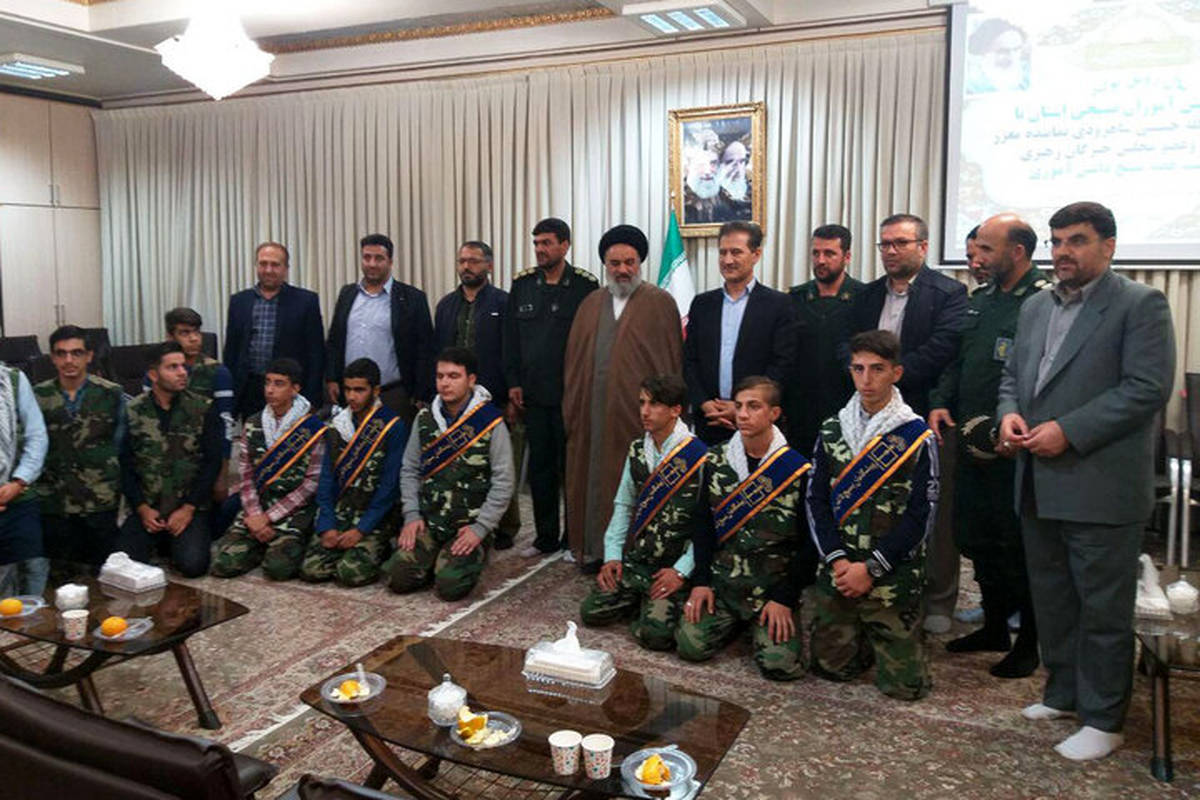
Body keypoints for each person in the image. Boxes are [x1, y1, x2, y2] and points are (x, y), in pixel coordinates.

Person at [998, 201, 1175, 761]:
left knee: (1102, 609)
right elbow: (1013, 376)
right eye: (1056, 242)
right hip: (1037, 480)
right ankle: (1065, 693)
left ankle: (1104, 719)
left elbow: (1146, 388)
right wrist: (1008, 414)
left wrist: (1069, 432)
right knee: (1054, 601)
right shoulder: (1035, 306)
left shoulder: (1140, 304)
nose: (1062, 252)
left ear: (1109, 246)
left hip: (1099, 484)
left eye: (1076, 241)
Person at [930, 214, 1051, 678]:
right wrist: (940, 401)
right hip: (971, 440)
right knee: (976, 536)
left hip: (1015, 445)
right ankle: (994, 626)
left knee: (1016, 545)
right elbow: (959, 362)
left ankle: (1029, 643)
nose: (976, 257)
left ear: (1016, 252)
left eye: (985, 249)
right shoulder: (981, 300)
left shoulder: (1043, 302)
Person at [850, 213, 966, 634]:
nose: (891, 251)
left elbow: (943, 348)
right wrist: (869, 379)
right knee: (875, 506)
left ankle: (938, 598)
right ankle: (871, 584)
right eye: (885, 244)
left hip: (925, 414)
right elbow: (849, 346)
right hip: (869, 415)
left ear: (923, 247)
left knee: (933, 509)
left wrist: (888, 377)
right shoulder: (866, 295)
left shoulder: (949, 293)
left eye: (900, 243)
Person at [807, 330, 938, 700]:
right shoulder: (832, 429)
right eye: (858, 369)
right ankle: (861, 636)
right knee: (830, 669)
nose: (866, 379)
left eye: (877, 369)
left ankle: (883, 633)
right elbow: (816, 501)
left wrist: (871, 569)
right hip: (840, 569)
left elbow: (922, 515)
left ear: (896, 373)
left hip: (891, 573)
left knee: (906, 688)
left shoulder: (916, 436)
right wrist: (838, 561)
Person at [676, 376, 814, 681]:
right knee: (689, 646)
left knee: (780, 666)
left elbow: (809, 544)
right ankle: (738, 625)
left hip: (771, 590)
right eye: (738, 406)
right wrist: (701, 581)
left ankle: (762, 626)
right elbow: (703, 525)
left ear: (774, 413)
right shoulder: (716, 459)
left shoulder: (796, 469)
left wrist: (785, 597)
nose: (742, 414)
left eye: (753, 406)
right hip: (724, 585)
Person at [562, 225, 684, 569]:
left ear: (640, 263)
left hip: (638, 420)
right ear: (605, 264)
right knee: (592, 480)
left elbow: (670, 364)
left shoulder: (660, 303)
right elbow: (573, 365)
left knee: (633, 483)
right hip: (592, 417)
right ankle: (593, 549)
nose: (622, 270)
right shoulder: (590, 304)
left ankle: (632, 553)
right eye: (615, 263)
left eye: (629, 262)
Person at [579, 374, 705, 651]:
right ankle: (643, 601)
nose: (645, 411)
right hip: (641, 561)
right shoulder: (637, 449)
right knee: (591, 611)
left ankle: (653, 606)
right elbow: (624, 505)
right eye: (642, 403)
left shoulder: (699, 457)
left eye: (654, 404)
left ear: (675, 410)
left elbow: (707, 527)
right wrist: (613, 556)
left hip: (672, 566)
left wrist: (681, 571)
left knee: (655, 636)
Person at [503, 218, 598, 557]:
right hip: (534, 395)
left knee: (572, 469)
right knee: (540, 469)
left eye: (546, 243)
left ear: (565, 245)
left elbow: (592, 342)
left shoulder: (585, 286)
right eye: (536, 243)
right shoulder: (523, 284)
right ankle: (545, 538)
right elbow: (511, 340)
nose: (540, 249)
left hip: (571, 396)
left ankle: (573, 538)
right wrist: (513, 383)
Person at [386, 347, 513, 601]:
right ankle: (433, 558)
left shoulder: (490, 422)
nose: (445, 383)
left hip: (469, 525)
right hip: (429, 521)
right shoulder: (425, 418)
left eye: (454, 376)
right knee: (398, 578)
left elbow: (504, 481)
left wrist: (481, 528)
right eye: (440, 376)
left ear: (471, 380)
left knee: (449, 587)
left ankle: (461, 558)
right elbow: (410, 469)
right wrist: (411, 515)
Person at [433, 240, 519, 550]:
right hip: (454, 399)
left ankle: (506, 526)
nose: (466, 267)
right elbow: (439, 352)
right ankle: (458, 518)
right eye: (462, 261)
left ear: (489, 266)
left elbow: (511, 351)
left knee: (499, 464)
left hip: (493, 398)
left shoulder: (504, 302)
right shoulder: (446, 305)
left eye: (473, 261)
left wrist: (510, 395)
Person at [116, 342, 223, 578]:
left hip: (189, 506)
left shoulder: (203, 408)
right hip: (148, 507)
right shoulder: (132, 411)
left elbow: (212, 462)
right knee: (124, 565)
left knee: (193, 566)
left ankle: (174, 541)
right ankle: (162, 540)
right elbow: (124, 464)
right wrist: (142, 508)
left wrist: (188, 508)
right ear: (154, 374)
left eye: (183, 366)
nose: (182, 372)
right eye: (172, 367)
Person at [211, 358, 325, 581]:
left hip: (293, 512)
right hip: (257, 508)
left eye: (279, 384)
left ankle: (275, 546)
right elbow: (245, 476)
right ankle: (259, 544)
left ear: (295, 389)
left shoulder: (312, 429)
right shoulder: (253, 423)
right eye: (267, 382)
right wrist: (255, 515)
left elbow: (311, 483)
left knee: (278, 569)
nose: (270, 390)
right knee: (222, 565)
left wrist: (269, 517)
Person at [683, 221, 795, 445]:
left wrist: (742, 407)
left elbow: (782, 364)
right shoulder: (702, 304)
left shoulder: (779, 305)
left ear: (756, 255)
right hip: (709, 421)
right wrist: (704, 403)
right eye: (722, 252)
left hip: (757, 424)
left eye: (736, 252)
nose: (727, 260)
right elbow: (689, 360)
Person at [300, 358, 407, 587]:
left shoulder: (392, 426)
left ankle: (380, 548)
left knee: (350, 573)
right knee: (311, 569)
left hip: (375, 516)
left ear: (375, 391)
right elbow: (326, 478)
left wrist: (361, 530)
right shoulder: (337, 425)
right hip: (341, 512)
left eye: (359, 390)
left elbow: (389, 487)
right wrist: (327, 524)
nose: (351, 396)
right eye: (347, 389)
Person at [33, 325, 124, 571]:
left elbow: (120, 445)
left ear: (89, 356)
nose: (69, 360)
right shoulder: (38, 395)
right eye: (61, 353)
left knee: (103, 571)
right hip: (55, 499)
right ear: (52, 358)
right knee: (61, 573)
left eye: (76, 353)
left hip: (99, 497)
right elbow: (32, 446)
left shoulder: (111, 393)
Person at [326, 234, 435, 419]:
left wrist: (421, 393)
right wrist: (331, 378)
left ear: (390, 262)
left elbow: (425, 349)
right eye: (367, 257)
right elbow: (334, 340)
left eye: (379, 258)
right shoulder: (347, 294)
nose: (372, 264)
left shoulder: (412, 298)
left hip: (393, 394)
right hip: (350, 394)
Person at [786, 224, 864, 455]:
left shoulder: (865, 296)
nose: (821, 260)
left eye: (829, 253)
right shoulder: (795, 298)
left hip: (847, 409)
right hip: (801, 412)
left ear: (847, 257)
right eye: (816, 253)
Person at [224, 241, 325, 417]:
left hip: (290, 391)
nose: (268, 270)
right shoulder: (239, 301)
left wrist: (312, 398)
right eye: (263, 264)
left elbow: (316, 353)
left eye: (275, 264)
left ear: (286, 268)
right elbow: (231, 350)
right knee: (253, 433)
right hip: (249, 389)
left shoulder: (306, 302)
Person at [158, 308, 235, 458]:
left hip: (203, 451)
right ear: (170, 337)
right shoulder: (157, 371)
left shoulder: (218, 372)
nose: (194, 339)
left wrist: (225, 462)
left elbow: (226, 421)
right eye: (185, 333)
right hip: (163, 452)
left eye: (197, 332)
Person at [0, 359, 48, 597]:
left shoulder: (13, 380)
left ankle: (35, 618)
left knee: (34, 565)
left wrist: (19, 482)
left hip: (17, 491)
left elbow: (36, 435)